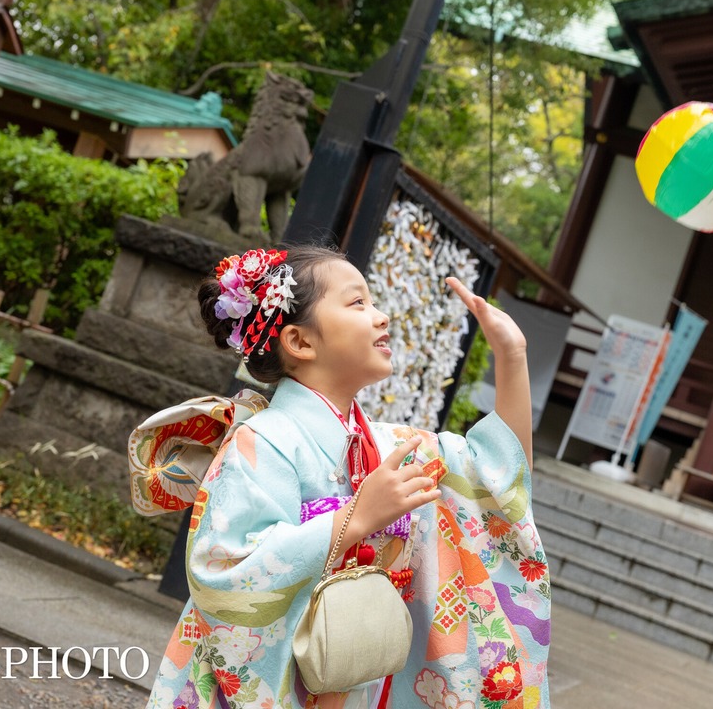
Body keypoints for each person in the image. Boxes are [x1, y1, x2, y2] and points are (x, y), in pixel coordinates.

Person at [128, 244, 550, 709]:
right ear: (301, 342)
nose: (382, 316)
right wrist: (354, 517)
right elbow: (225, 569)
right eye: (358, 303)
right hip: (277, 681)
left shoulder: (394, 447)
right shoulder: (264, 440)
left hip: (357, 681)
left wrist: (513, 355)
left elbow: (495, 477)